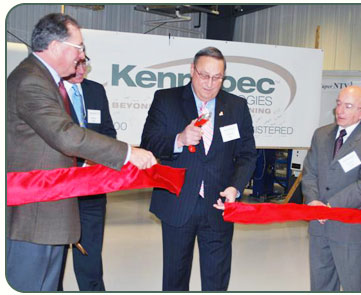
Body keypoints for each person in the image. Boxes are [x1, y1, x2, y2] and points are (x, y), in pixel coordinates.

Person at [6, 13, 156, 292]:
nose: (82, 56)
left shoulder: (46, 80)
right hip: (34, 216)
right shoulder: (31, 81)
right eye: (79, 48)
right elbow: (66, 134)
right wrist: (128, 153)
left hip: (49, 210)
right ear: (55, 47)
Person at [140, 46, 257, 291]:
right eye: (204, 75)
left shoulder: (237, 106)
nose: (210, 83)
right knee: (175, 278)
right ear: (192, 70)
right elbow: (149, 143)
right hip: (177, 203)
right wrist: (179, 140)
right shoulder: (166, 99)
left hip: (218, 205)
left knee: (217, 280)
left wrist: (235, 187)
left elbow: (247, 155)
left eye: (217, 77)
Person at [301, 85, 361, 291]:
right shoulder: (321, 135)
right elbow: (310, 171)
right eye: (339, 104)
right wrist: (313, 201)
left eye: (348, 106)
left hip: (349, 227)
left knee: (352, 285)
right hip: (319, 224)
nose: (339, 111)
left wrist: (330, 206)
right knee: (320, 284)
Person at [56, 56, 114, 291]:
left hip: (93, 186)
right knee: (56, 253)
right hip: (60, 187)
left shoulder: (95, 90)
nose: (81, 71)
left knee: (90, 250)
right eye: (76, 65)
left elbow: (108, 132)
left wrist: (99, 158)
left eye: (85, 65)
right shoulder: (51, 93)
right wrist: (81, 160)